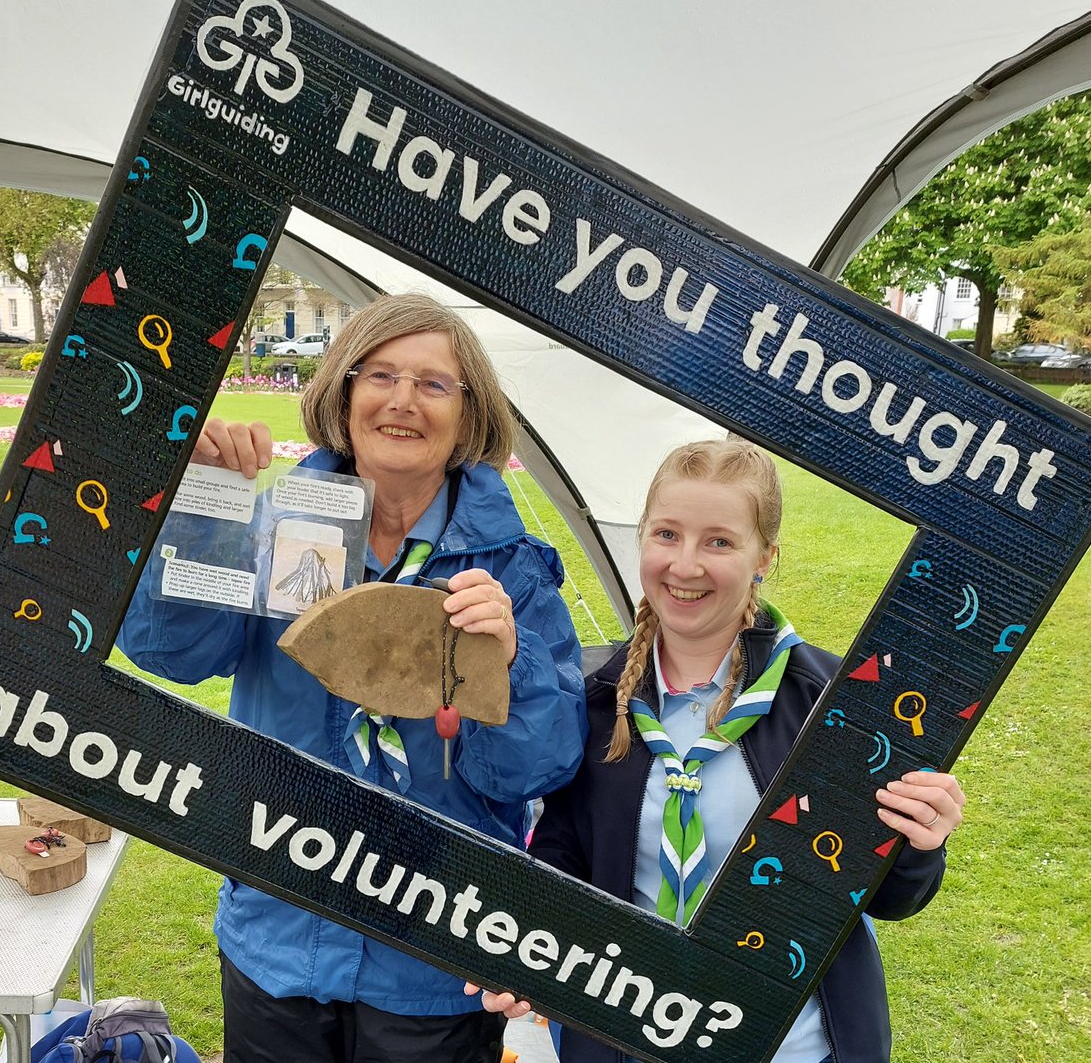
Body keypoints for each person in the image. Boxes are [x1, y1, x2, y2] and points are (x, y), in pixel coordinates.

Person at [118, 292, 586, 1063]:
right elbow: (175, 652)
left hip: (432, 950)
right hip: (279, 921)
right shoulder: (277, 524)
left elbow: (536, 768)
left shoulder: (514, 571)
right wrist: (203, 509)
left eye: (434, 383)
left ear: (468, 415)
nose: (403, 399)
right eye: (380, 375)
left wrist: (509, 663)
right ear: (343, 392)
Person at [468, 438, 965, 1063]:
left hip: (794, 1048)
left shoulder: (834, 704)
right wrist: (522, 941)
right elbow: (565, 856)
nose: (685, 565)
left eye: (719, 542)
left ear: (765, 558)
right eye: (667, 534)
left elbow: (892, 898)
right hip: (630, 1037)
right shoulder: (596, 704)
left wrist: (919, 841)